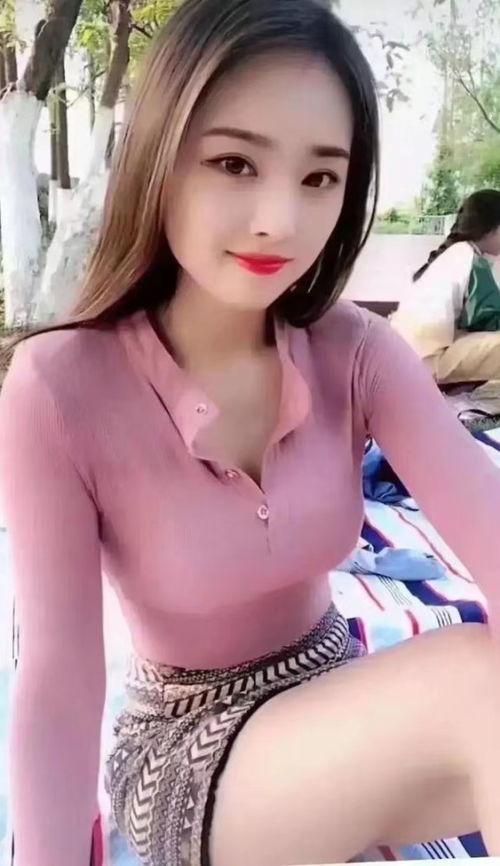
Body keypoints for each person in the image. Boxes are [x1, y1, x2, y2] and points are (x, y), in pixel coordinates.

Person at [2, 2, 500, 866]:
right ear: (160, 159)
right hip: (190, 750)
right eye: (235, 163)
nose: (281, 219)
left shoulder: (355, 350)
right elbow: (58, 684)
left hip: (337, 693)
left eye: (320, 178)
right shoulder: (59, 386)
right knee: (475, 681)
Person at [391, 190, 500, 384]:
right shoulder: (469, 258)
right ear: (492, 228)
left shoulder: (458, 252)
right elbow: (489, 318)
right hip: (427, 362)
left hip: (409, 355)